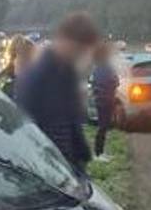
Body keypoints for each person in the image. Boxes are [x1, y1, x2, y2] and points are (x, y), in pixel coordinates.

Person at [15, 13, 101, 173]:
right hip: (53, 170)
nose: (82, 56)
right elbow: (36, 131)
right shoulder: (38, 77)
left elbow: (72, 124)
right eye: (80, 50)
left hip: (70, 167)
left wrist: (82, 157)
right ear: (67, 43)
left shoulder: (65, 72)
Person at [90, 41, 121, 161]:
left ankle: (101, 151)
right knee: (102, 127)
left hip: (106, 98)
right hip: (103, 100)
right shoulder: (102, 66)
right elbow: (111, 81)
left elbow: (115, 80)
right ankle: (98, 153)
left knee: (104, 127)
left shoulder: (103, 65)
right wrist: (114, 81)